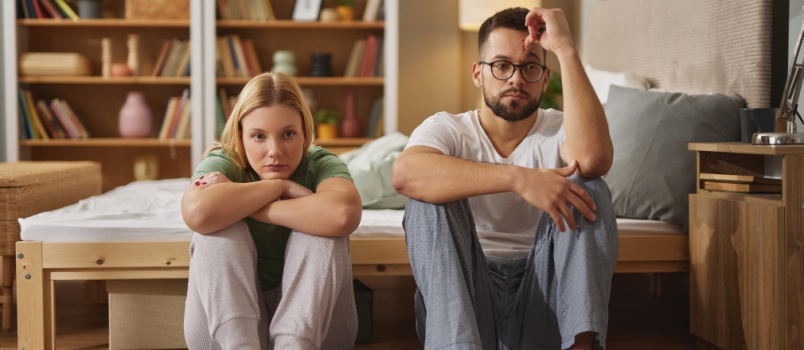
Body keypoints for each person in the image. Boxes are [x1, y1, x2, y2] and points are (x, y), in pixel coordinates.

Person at [392, 7, 618, 350]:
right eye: (501, 66)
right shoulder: (448, 127)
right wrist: (519, 179)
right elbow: (406, 175)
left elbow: (593, 159)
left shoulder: (561, 129)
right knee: (426, 199)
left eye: (529, 67)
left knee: (590, 186)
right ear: (478, 74)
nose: (515, 79)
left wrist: (566, 49)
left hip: (545, 300)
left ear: (545, 78)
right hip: (465, 301)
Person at [181, 72, 361, 349]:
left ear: (305, 134)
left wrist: (251, 204)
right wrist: (279, 188)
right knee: (216, 230)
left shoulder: (321, 163)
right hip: (225, 331)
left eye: (288, 134)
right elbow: (198, 214)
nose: (274, 151)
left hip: (316, 331)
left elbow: (342, 215)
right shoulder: (224, 160)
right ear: (240, 136)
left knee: (322, 232)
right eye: (258, 136)